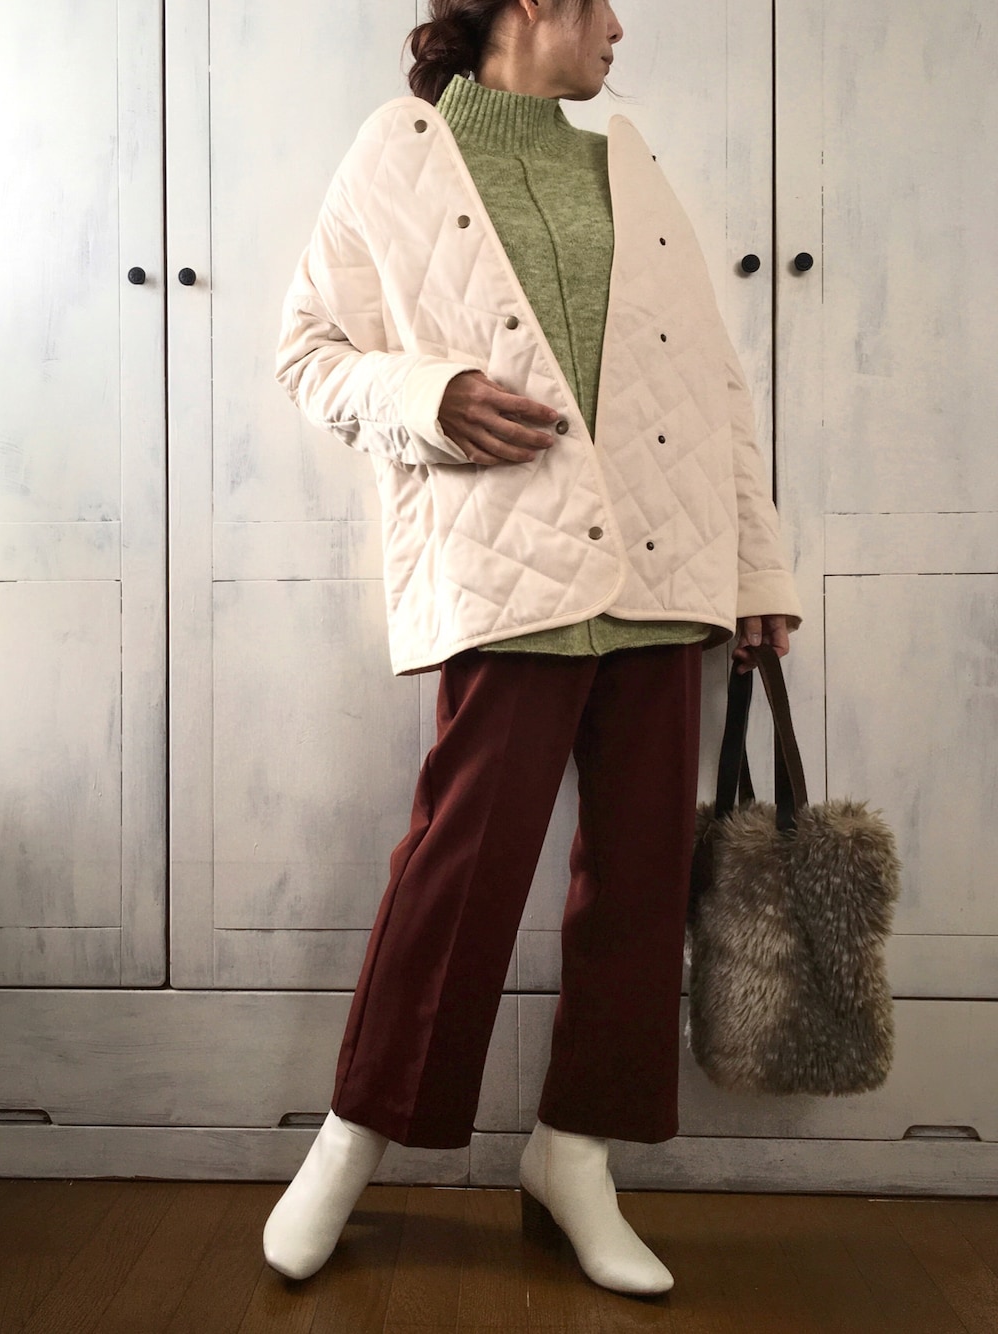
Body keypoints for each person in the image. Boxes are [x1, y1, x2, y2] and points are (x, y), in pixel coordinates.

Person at [262, 0, 803, 1298]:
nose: (619, 28)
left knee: (637, 888)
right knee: (460, 869)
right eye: (599, 3)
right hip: (511, 570)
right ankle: (354, 1134)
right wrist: (429, 395)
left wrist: (758, 568)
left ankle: (576, 1153)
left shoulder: (631, 163)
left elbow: (715, 390)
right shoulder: (398, 152)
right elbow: (309, 352)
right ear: (525, 6)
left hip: (666, 573)